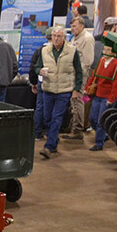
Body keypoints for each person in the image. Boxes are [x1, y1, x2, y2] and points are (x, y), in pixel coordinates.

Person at [34, 26, 83, 159]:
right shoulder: (44, 51)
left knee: (57, 117)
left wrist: (76, 89)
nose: (55, 38)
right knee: (47, 118)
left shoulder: (72, 51)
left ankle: (48, 147)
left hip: (64, 90)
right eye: (54, 36)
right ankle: (54, 142)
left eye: (59, 36)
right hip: (48, 89)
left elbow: (79, 71)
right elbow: (37, 66)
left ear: (64, 38)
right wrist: (40, 71)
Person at [84, 44, 117, 152]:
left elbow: (116, 83)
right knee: (92, 118)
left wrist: (111, 98)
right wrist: (86, 88)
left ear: (113, 52)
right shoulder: (101, 61)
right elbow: (93, 76)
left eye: (108, 49)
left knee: (101, 120)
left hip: (107, 97)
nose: (105, 51)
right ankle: (103, 134)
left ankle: (99, 143)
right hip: (98, 94)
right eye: (104, 49)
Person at [61, 17, 95, 140]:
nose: (72, 29)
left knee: (79, 100)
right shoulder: (75, 38)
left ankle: (78, 129)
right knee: (75, 101)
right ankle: (74, 125)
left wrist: (80, 77)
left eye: (74, 26)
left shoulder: (87, 39)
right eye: (71, 26)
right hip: (73, 74)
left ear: (82, 26)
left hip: (81, 75)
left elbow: (88, 61)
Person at [29, 28, 54, 139]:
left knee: (40, 107)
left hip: (41, 82)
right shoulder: (57, 51)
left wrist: (33, 83)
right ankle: (50, 133)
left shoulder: (39, 51)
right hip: (54, 83)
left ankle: (37, 132)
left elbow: (33, 68)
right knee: (53, 108)